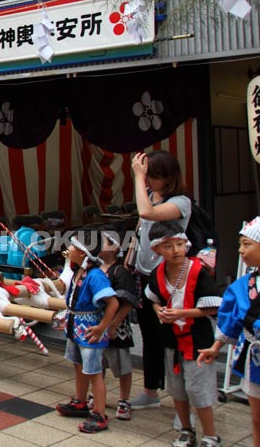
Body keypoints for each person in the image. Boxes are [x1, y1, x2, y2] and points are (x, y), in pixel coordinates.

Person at [145, 222, 222, 447]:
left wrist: (181, 312)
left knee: (198, 388)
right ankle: (187, 431)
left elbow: (212, 307)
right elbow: (154, 301)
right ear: (156, 250)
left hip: (198, 339)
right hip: (171, 339)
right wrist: (161, 313)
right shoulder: (157, 273)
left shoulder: (198, 271)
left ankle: (210, 435)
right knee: (177, 387)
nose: (176, 250)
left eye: (179, 244)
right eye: (168, 246)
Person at [128, 150, 192, 410]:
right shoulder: (153, 196)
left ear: (168, 177)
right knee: (150, 336)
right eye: (147, 176)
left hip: (171, 280)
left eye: (153, 177)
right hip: (145, 276)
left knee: (174, 340)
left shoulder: (181, 203)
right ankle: (150, 391)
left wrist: (137, 176)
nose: (148, 182)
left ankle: (185, 403)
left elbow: (146, 213)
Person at [198, 216, 260, 447]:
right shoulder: (241, 286)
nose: (241, 250)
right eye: (240, 244)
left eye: (247, 244)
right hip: (255, 358)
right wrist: (216, 348)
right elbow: (230, 320)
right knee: (257, 418)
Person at [56, 234, 119, 434]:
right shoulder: (79, 271)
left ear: (82, 252)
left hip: (90, 328)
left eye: (73, 247)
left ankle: (99, 413)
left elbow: (113, 303)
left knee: (94, 372)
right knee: (79, 366)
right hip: (76, 326)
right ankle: (80, 402)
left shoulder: (95, 275)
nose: (69, 249)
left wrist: (102, 327)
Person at [97, 230, 138, 421]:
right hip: (97, 324)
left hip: (117, 327)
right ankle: (97, 394)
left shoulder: (120, 271)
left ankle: (124, 399)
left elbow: (127, 302)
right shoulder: (94, 269)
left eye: (103, 242)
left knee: (122, 365)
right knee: (98, 364)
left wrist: (113, 324)